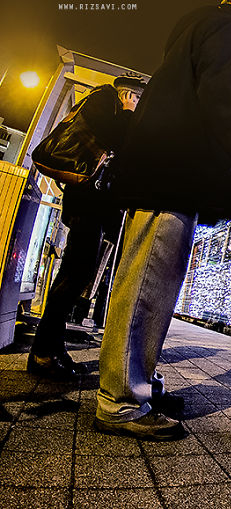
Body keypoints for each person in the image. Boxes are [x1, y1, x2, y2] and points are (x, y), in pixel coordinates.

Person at [94, 0, 231, 441]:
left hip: (163, 170)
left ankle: (132, 383)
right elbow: (225, 93)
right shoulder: (227, 27)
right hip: (174, 174)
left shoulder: (196, 29)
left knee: (141, 281)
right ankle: (123, 400)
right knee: (148, 285)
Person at [27, 74, 146, 380]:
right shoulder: (102, 103)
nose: (139, 102)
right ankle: (42, 354)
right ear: (127, 93)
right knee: (73, 276)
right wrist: (130, 114)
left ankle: (53, 349)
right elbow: (120, 140)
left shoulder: (108, 109)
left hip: (93, 209)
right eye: (136, 96)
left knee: (76, 277)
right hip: (86, 207)